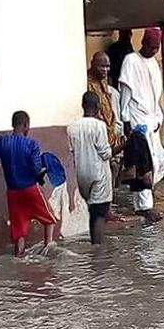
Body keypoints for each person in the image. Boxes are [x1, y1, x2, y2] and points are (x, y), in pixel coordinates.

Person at [0, 111, 56, 256]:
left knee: (18, 232)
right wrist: (43, 169)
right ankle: (48, 248)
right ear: (26, 125)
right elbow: (36, 169)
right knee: (49, 219)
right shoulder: (31, 144)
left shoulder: (2, 143)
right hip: (30, 188)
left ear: (13, 125)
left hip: (13, 192)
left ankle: (19, 257)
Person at [119, 27, 164, 222]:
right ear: (143, 43)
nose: (154, 50)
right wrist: (126, 120)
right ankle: (144, 207)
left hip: (151, 119)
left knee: (159, 161)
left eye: (157, 47)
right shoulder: (131, 60)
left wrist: (158, 118)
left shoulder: (155, 64)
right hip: (137, 119)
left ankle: (146, 201)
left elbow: (156, 96)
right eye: (152, 46)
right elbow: (126, 93)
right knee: (143, 165)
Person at [67, 92, 124, 245]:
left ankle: (94, 245)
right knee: (99, 214)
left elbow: (72, 152)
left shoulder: (72, 127)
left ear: (82, 106)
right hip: (99, 174)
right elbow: (105, 154)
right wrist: (123, 145)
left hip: (81, 175)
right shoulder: (99, 126)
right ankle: (98, 253)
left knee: (93, 211)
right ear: (98, 106)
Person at [87, 52, 124, 217]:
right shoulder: (87, 84)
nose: (105, 70)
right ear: (92, 64)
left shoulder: (104, 84)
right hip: (96, 135)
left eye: (108, 66)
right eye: (102, 66)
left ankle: (107, 208)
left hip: (110, 135)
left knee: (113, 169)